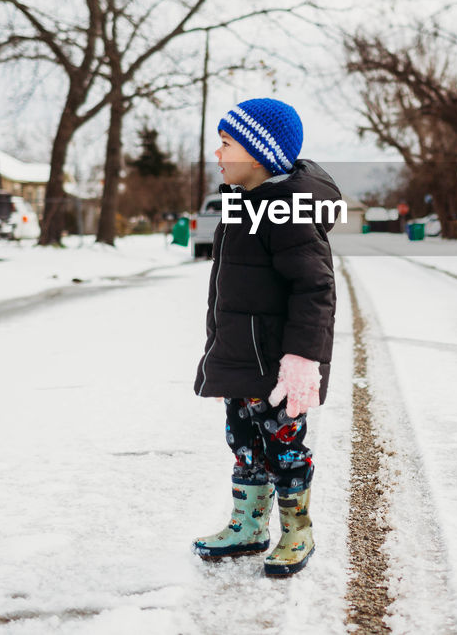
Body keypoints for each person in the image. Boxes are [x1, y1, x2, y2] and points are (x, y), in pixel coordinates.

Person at [191, 97, 340, 577]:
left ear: (257, 154)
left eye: (226, 143)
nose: (217, 153)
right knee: (244, 443)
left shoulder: (286, 214)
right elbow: (230, 295)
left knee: (283, 448)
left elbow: (315, 289)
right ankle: (248, 526)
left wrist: (303, 359)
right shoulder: (245, 206)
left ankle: (297, 531)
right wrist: (223, 360)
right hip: (245, 362)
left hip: (279, 367)